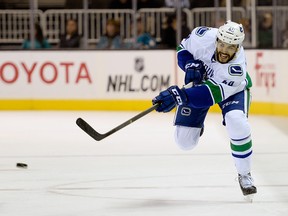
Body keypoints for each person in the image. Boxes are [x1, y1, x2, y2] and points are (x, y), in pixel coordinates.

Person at [152, 20, 257, 197]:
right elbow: (182, 49)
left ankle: (245, 174)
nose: (225, 51)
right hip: (203, 85)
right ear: (216, 39)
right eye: (222, 44)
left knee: (236, 120)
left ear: (238, 48)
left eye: (231, 47)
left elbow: (211, 95)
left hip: (231, 91)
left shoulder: (236, 69)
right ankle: (196, 125)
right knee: (184, 142)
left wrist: (180, 96)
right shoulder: (202, 36)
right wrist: (188, 64)